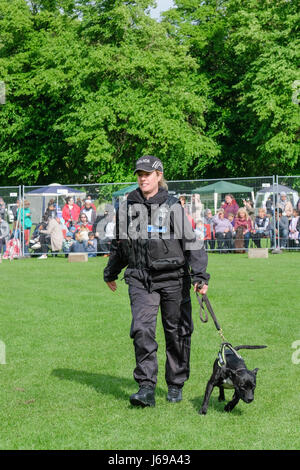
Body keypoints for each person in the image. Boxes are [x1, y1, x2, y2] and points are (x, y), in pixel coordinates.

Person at [103, 155, 209, 408]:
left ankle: (175, 384)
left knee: (177, 331)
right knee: (141, 329)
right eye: (139, 173)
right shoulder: (126, 206)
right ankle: (146, 387)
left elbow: (191, 241)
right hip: (141, 278)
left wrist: (200, 275)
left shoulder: (172, 206)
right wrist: (111, 272)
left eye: (148, 174)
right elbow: (120, 244)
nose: (142, 177)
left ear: (159, 176)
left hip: (174, 279)